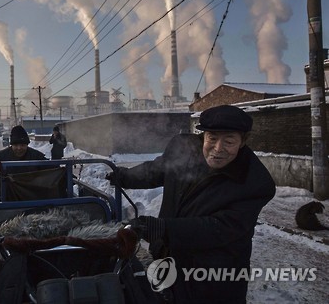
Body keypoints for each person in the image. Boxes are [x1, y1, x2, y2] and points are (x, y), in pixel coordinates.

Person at [106, 105, 276, 304]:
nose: (218, 148)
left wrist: (163, 229)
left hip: (211, 277)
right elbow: (157, 170)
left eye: (229, 141)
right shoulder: (184, 149)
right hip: (167, 259)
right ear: (202, 135)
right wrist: (123, 177)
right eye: (212, 138)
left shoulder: (254, 183)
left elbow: (220, 228)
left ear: (243, 141)